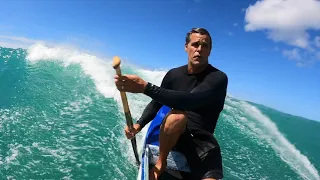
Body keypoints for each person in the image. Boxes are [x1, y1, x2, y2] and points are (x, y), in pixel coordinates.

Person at [114, 27, 228, 180]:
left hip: (202, 143)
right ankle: (161, 164)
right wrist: (138, 125)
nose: (199, 49)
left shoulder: (218, 78)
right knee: (176, 117)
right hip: (174, 133)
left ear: (210, 50)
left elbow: (190, 101)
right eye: (195, 44)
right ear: (186, 47)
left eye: (205, 45)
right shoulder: (174, 75)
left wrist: (145, 87)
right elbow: (156, 103)